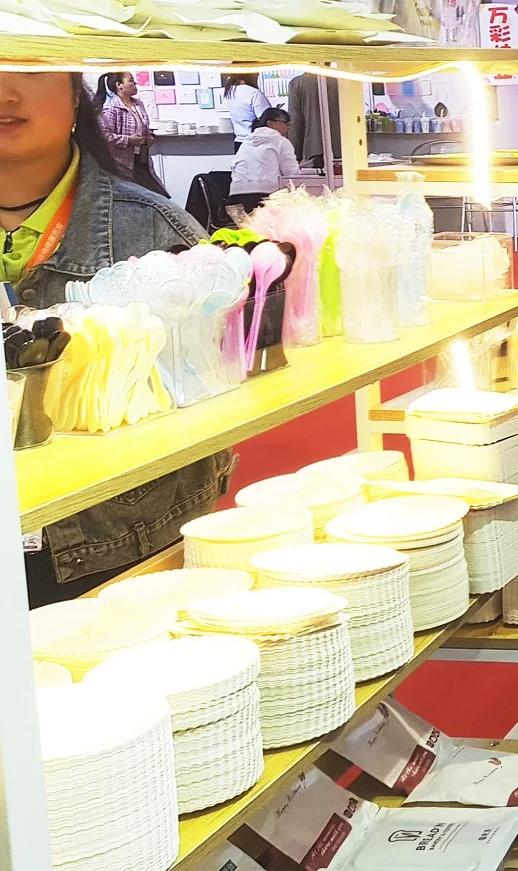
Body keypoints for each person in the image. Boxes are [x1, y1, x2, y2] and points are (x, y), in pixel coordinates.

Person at [0, 73, 232, 604]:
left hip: (116, 545)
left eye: (29, 69)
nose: (2, 91)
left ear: (74, 92)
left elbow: (213, 404)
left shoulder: (157, 233)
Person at [93, 72, 162, 192]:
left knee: (155, 192)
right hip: (122, 164)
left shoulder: (138, 105)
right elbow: (104, 136)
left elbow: (144, 127)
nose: (135, 83)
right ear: (119, 85)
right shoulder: (111, 108)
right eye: (131, 80)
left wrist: (150, 137)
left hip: (142, 161)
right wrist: (129, 140)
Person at [229, 107, 298, 213]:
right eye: (285, 123)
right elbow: (291, 173)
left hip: (235, 195)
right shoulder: (281, 141)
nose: (287, 128)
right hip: (265, 195)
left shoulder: (246, 142)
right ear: (270, 123)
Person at [220, 73, 271, 149]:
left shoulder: (230, 91)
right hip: (255, 143)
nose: (258, 74)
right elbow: (267, 118)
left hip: (239, 142)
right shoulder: (253, 93)